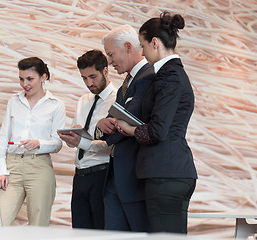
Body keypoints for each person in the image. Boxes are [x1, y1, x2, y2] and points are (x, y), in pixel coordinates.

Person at [115, 11, 198, 234]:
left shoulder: (168, 75)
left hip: (165, 171)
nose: (142, 52)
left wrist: (130, 129)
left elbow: (158, 130)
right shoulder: (173, 74)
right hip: (172, 170)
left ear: (154, 42)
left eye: (142, 46)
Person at [96, 25, 154, 232]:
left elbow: (133, 121)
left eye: (111, 55)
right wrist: (102, 124)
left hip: (134, 177)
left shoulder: (149, 77)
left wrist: (111, 126)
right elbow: (115, 119)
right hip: (116, 177)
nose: (109, 62)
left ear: (128, 47)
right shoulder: (127, 83)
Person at [0, 57, 66, 226]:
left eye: (30, 79)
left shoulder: (56, 105)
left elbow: (57, 143)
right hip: (12, 168)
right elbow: (3, 136)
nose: (25, 84)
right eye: (21, 79)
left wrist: (39, 143)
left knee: (38, 225)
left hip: (39, 167)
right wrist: (0, 170)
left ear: (43, 77)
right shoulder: (14, 101)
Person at [57, 50, 117, 229]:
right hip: (80, 175)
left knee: (101, 231)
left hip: (103, 174)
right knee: (80, 232)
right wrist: (69, 138)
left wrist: (80, 142)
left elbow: (112, 145)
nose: (89, 83)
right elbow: (75, 138)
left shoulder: (118, 99)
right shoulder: (83, 100)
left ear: (105, 71)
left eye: (93, 76)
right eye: (84, 78)